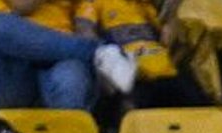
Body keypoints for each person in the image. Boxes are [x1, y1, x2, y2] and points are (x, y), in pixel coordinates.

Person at [0, 0, 137, 110]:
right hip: (9, 65)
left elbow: (84, 23)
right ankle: (97, 52)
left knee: (72, 77)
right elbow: (23, 4)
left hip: (60, 57)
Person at [73, 0, 214, 107]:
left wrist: (172, 22)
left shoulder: (145, 7)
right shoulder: (94, 4)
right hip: (134, 80)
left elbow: (167, 40)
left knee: (203, 113)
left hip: (169, 75)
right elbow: (85, 33)